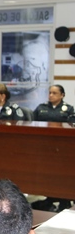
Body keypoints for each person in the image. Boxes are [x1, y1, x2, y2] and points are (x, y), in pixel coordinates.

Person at [31, 84, 75, 212]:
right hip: (44, 146)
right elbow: (32, 123)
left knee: (62, 174)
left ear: (62, 95)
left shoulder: (68, 109)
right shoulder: (41, 108)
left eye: (54, 93)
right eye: (50, 92)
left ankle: (64, 200)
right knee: (47, 173)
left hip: (62, 148)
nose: (51, 95)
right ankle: (48, 198)